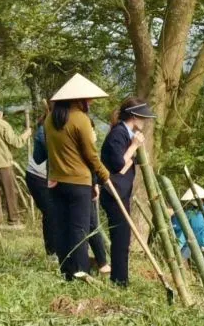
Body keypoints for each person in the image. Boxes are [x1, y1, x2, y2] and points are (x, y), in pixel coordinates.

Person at [44, 74, 113, 281]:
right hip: (78, 183)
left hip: (57, 182)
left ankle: (67, 273)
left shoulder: (50, 119)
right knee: (80, 230)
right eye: (88, 99)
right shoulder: (80, 119)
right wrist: (104, 175)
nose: (90, 102)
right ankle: (82, 272)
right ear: (78, 100)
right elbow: (90, 154)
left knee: (62, 228)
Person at [100, 97, 155, 287]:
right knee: (121, 238)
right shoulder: (118, 134)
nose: (144, 121)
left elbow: (133, 161)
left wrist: (135, 149)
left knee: (123, 238)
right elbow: (119, 166)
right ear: (133, 116)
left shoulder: (127, 132)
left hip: (122, 193)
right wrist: (134, 146)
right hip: (113, 194)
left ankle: (120, 278)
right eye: (142, 117)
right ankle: (120, 281)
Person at [24, 122, 57, 256]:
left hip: (56, 177)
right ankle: (52, 252)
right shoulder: (45, 129)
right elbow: (44, 156)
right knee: (51, 213)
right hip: (39, 177)